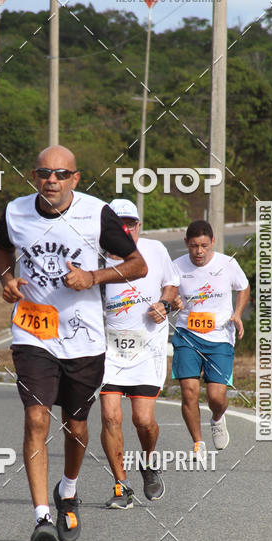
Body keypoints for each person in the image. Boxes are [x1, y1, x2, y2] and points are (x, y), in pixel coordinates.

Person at [0, 145, 147, 541]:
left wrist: (93, 277)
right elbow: (1, 249)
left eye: (61, 174)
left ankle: (69, 489)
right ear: (34, 176)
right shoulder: (14, 212)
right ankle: (42, 517)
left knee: (76, 427)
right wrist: (7, 278)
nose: (52, 181)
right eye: (45, 173)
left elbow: (137, 265)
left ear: (75, 179)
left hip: (84, 339)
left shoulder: (96, 214)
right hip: (33, 332)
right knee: (36, 419)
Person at [100, 199, 179, 508]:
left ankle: (148, 462)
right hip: (108, 350)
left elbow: (171, 286)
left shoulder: (156, 250)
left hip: (148, 349)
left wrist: (165, 304)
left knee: (143, 420)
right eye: (119, 223)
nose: (125, 229)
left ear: (139, 226)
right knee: (110, 415)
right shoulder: (95, 256)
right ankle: (121, 486)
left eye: (130, 223)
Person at [171, 220, 250, 458]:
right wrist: (173, 300)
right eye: (194, 246)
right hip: (187, 334)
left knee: (216, 397)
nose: (199, 251)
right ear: (186, 243)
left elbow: (243, 287)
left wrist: (237, 313)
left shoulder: (228, 263)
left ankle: (217, 417)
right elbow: (168, 291)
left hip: (220, 337)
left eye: (204, 245)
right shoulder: (176, 266)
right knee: (189, 391)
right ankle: (198, 443)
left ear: (212, 242)